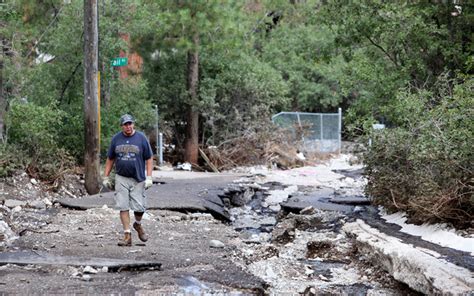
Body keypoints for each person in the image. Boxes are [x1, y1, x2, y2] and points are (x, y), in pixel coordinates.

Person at [102, 114, 153, 246]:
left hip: (138, 178)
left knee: (139, 208)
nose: (128, 126)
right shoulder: (116, 139)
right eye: (125, 124)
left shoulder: (141, 138)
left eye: (130, 124)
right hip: (121, 177)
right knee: (123, 206)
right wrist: (106, 176)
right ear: (122, 126)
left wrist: (149, 177)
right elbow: (110, 158)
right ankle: (127, 235)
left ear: (133, 124)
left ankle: (138, 224)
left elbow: (149, 158)